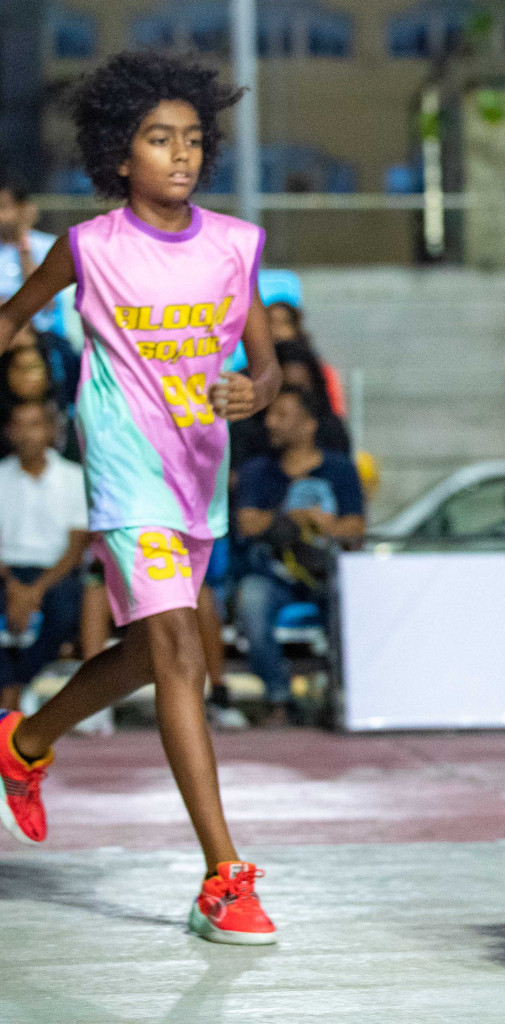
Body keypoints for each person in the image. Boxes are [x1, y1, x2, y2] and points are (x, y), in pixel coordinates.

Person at [0, 51, 281, 944]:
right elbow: (10, 319)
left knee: (162, 651)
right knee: (181, 659)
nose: (182, 155)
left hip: (201, 479)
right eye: (160, 140)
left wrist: (256, 392)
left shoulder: (237, 245)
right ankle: (223, 879)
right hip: (124, 475)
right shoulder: (89, 246)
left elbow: (267, 363)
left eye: (194, 140)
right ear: (121, 156)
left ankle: (24, 741)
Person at [234, 386, 364, 725]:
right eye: (269, 416)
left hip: (324, 575)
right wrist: (290, 518)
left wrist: (325, 527)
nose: (271, 424)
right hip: (272, 575)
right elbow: (247, 522)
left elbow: (356, 527)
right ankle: (279, 697)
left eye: (281, 416)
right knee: (251, 602)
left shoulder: (339, 469)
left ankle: (343, 695)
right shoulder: (258, 471)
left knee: (351, 606)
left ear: (308, 425)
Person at [0, 401, 89, 711]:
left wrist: (34, 591)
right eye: (20, 425)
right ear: (8, 432)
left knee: (66, 609)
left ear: (51, 431)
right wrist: (13, 586)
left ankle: (16, 685)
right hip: (7, 573)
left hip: (55, 574)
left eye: (35, 424)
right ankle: (15, 688)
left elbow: (76, 548)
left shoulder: (73, 477)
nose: (28, 434)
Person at [0, 173, 71, 339]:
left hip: (41, 340)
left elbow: (48, 303)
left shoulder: (52, 247)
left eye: (2, 207)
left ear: (22, 208)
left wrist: (24, 248)